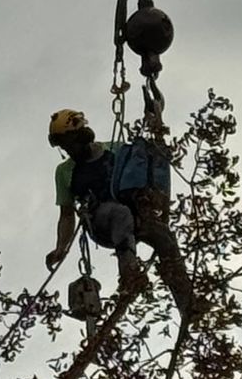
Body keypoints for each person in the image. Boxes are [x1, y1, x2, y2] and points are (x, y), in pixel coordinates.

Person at [45, 108, 193, 317]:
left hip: (135, 215)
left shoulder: (114, 149)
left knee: (163, 237)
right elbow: (67, 215)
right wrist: (61, 247)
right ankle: (129, 277)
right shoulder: (65, 171)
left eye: (71, 143)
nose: (69, 150)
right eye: (64, 146)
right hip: (100, 220)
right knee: (119, 213)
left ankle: (187, 300)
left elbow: (140, 167)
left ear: (82, 136)